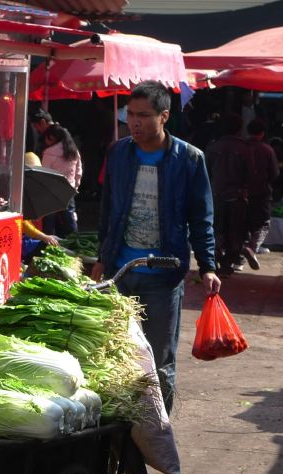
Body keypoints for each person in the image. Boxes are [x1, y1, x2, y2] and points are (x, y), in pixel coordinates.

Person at [92, 81, 221, 414]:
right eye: (131, 114)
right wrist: (101, 258)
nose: (134, 122)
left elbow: (201, 217)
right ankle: (121, 426)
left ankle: (158, 427)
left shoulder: (189, 159)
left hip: (164, 276)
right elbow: (108, 210)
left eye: (143, 115)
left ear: (164, 116)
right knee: (115, 353)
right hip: (120, 272)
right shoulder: (117, 152)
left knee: (159, 360)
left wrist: (208, 265)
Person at [205, 113, 254, 275]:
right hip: (237, 196)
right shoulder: (245, 148)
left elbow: (205, 173)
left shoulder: (213, 147)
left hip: (216, 195)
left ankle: (216, 257)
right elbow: (251, 174)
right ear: (239, 128)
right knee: (235, 231)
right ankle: (228, 263)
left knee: (216, 229)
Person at [243, 118, 280, 265]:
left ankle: (239, 255)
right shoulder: (267, 150)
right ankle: (252, 248)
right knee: (263, 224)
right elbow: (275, 174)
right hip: (261, 193)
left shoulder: (241, 147)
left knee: (242, 223)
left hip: (241, 192)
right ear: (262, 133)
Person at [40, 123, 82, 235]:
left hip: (51, 192)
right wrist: (75, 187)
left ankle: (49, 243)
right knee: (70, 219)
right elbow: (78, 172)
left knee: (49, 222)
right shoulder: (74, 151)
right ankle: (74, 241)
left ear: (51, 137)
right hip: (69, 190)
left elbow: (44, 175)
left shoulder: (49, 153)